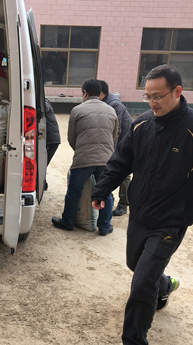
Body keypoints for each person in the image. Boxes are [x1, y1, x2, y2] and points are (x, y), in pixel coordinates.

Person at [91, 65, 193, 345]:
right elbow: (120, 161)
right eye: (148, 96)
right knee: (136, 265)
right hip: (141, 213)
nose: (152, 102)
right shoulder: (142, 124)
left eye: (158, 96)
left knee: (141, 282)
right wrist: (102, 188)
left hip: (172, 220)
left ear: (177, 92)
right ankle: (165, 285)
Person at [52, 78, 118, 236]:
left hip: (83, 160)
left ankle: (67, 222)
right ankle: (104, 227)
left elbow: (71, 138)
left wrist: (81, 150)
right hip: (106, 160)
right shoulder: (111, 110)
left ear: (85, 93)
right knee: (105, 193)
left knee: (74, 192)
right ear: (100, 93)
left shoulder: (77, 110)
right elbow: (114, 135)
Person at [99, 80, 133, 216]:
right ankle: (110, 198)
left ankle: (123, 204)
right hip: (116, 142)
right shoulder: (105, 103)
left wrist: (111, 152)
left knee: (124, 173)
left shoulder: (114, 105)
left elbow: (116, 130)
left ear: (100, 93)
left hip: (126, 143)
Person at [44, 98, 61, 190]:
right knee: (43, 162)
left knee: (43, 163)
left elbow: (43, 107)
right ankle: (42, 182)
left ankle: (42, 183)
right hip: (51, 138)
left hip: (52, 139)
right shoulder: (45, 102)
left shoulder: (44, 102)